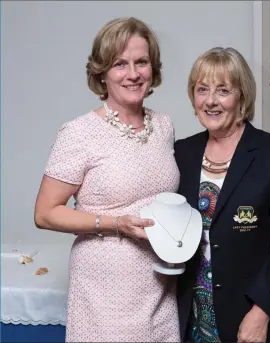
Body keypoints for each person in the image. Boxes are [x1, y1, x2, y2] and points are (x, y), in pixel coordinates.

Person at [34, 17, 180, 342]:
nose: (133, 74)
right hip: (104, 293)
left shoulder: (164, 126)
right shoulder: (80, 133)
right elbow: (45, 212)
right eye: (119, 64)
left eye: (141, 62)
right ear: (101, 72)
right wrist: (116, 223)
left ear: (153, 69)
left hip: (161, 290)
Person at [174, 47, 270, 343]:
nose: (211, 101)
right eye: (202, 89)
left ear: (242, 96)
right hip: (192, 318)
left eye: (223, 90)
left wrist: (260, 313)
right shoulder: (181, 153)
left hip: (253, 318)